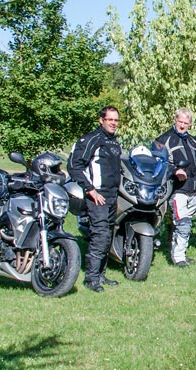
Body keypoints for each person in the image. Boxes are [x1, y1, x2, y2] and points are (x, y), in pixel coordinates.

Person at [68, 106, 123, 292]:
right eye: (110, 119)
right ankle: (91, 279)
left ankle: (101, 274)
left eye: (116, 120)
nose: (113, 123)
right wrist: (90, 190)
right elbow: (74, 166)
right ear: (101, 120)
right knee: (99, 235)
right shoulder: (91, 139)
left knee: (107, 236)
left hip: (111, 196)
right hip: (97, 196)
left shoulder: (114, 143)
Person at [153, 109, 196, 268]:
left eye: (186, 123)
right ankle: (178, 258)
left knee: (187, 223)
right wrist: (174, 171)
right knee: (182, 223)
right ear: (175, 120)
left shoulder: (193, 142)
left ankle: (181, 253)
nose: (182, 125)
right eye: (180, 122)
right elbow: (156, 164)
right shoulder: (164, 139)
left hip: (194, 189)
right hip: (177, 190)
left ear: (190, 124)